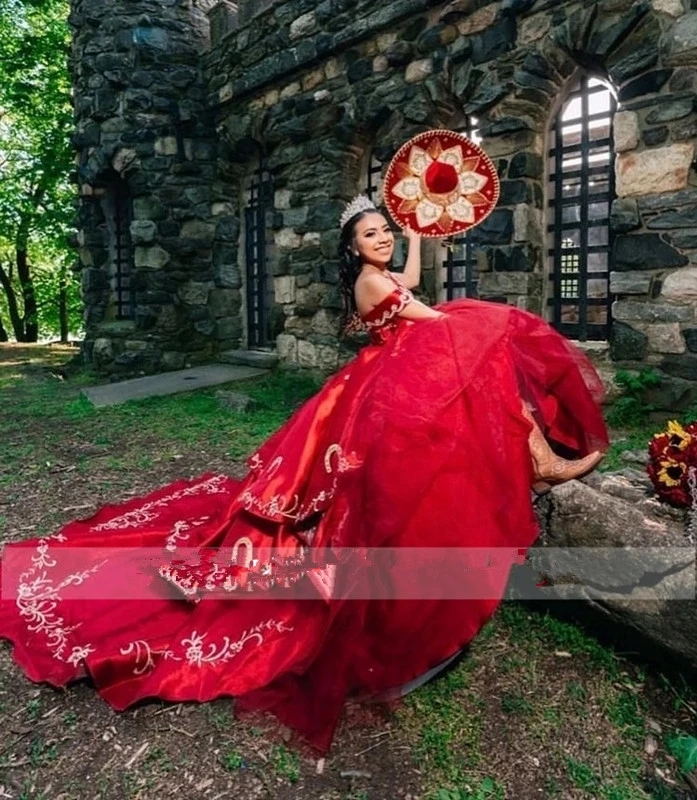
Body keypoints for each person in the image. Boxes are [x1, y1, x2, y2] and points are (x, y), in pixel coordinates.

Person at [0, 196, 608, 752]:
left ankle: (537, 459)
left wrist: (420, 232)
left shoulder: (387, 271)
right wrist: (486, 326)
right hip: (385, 385)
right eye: (372, 235)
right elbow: (431, 319)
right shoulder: (371, 282)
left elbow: (416, 283)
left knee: (475, 377)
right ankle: (540, 462)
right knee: (480, 347)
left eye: (385, 233)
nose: (382, 242)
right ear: (352, 248)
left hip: (391, 379)